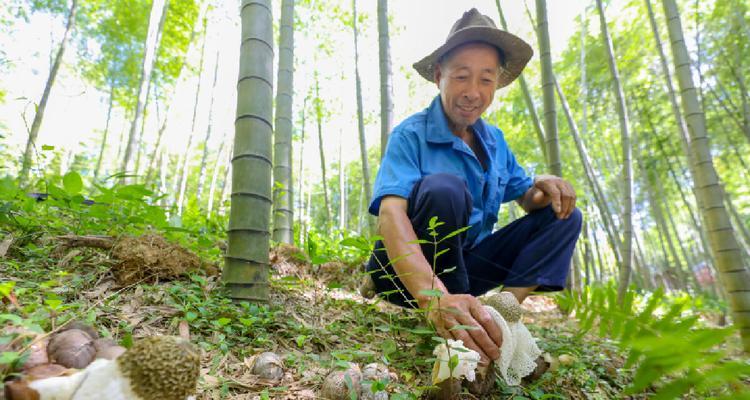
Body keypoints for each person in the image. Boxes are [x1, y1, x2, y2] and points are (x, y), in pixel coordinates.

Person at [366, 8, 583, 366]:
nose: (473, 92)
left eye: (485, 80)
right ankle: (433, 303)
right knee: (445, 189)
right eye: (462, 77)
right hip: (408, 275)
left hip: (467, 270)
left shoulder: (494, 140)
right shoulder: (411, 134)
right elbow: (390, 213)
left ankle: (500, 315)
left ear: (496, 83)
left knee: (565, 216)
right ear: (439, 77)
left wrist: (541, 183)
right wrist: (434, 298)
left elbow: (528, 199)